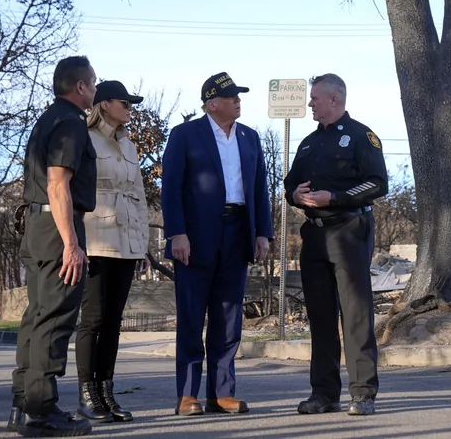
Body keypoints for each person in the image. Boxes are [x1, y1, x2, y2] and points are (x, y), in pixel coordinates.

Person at [161, 72, 273, 417]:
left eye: (239, 96)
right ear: (211, 104)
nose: (238, 100)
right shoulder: (185, 135)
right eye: (231, 96)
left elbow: (259, 191)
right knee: (193, 316)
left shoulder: (250, 138)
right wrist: (176, 232)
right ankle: (187, 394)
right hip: (195, 237)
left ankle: (222, 393)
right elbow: (171, 188)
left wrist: (263, 233)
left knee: (228, 317)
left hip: (237, 232)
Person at [284, 73, 388, 417]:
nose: (310, 103)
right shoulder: (309, 143)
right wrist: (294, 195)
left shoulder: (361, 136)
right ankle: (325, 393)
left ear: (334, 99)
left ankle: (363, 393)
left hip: (349, 230)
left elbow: (377, 183)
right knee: (321, 316)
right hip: (314, 236)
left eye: (315, 98)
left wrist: (337, 197)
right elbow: (291, 184)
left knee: (355, 314)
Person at [9, 56, 98, 437]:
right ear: (80, 87)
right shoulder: (69, 124)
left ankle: (24, 400)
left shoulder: (47, 119)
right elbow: (58, 184)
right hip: (55, 225)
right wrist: (72, 244)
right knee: (55, 316)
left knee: (36, 315)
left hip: (37, 224)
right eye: (93, 84)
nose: (95, 90)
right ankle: (42, 411)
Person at [74, 81, 149, 424]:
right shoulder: (84, 139)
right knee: (93, 319)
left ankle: (106, 391)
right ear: (104, 105)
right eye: (125, 102)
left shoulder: (130, 148)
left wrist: (143, 243)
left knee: (114, 322)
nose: (130, 107)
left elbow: (139, 197)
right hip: (94, 239)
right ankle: (86, 394)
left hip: (126, 243)